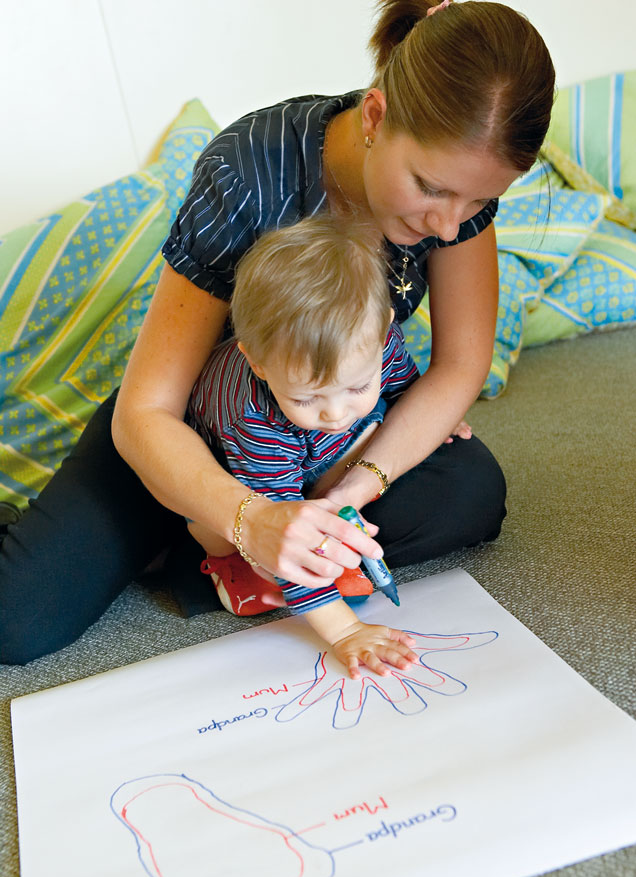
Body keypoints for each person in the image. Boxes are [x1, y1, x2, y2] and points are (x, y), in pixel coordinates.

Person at [0, 0, 555, 665]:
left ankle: (214, 558)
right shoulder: (248, 171)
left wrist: (360, 484)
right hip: (200, 428)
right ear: (375, 116)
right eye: (431, 188)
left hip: (320, 442)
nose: (449, 226)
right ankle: (202, 538)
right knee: (20, 618)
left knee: (470, 492)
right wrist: (249, 518)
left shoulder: (458, 195)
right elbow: (147, 413)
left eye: (480, 201)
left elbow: (460, 367)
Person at [187, 214, 422, 678]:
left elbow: (405, 390)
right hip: (235, 478)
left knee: (380, 430)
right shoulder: (252, 421)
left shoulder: (377, 342)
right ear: (255, 362)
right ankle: (225, 563)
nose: (335, 413)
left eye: (356, 386)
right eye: (308, 397)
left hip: (304, 455)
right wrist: (346, 631)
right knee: (217, 526)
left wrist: (442, 416)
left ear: (384, 331)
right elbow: (282, 534)